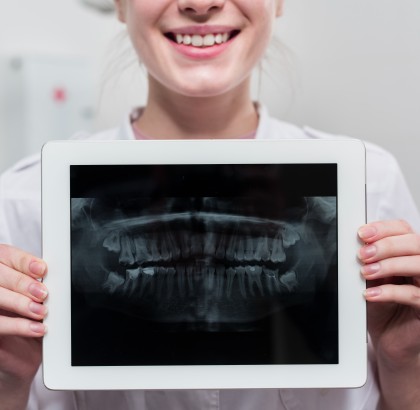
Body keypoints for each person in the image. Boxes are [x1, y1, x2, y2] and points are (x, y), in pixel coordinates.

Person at [1, 0, 420, 409]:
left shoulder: (372, 184)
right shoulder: (25, 201)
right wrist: (6, 385)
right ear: (119, 4)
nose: (200, 4)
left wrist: (406, 366)